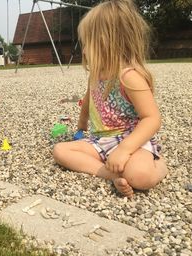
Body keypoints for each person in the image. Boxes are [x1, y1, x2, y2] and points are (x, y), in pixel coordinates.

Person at [53, 0, 168, 197]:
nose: (84, 50)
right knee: (60, 151)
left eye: (87, 43)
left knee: (139, 177)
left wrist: (124, 150)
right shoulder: (96, 75)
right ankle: (109, 174)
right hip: (101, 141)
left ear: (107, 42)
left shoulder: (129, 77)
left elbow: (152, 118)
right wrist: (81, 127)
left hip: (131, 140)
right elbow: (87, 102)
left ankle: (160, 164)